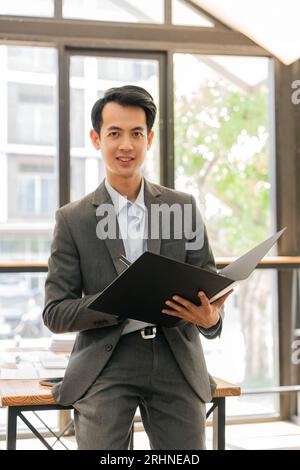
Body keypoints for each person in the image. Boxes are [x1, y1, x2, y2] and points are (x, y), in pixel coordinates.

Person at [43, 84, 232, 450]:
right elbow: (56, 312)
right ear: (96, 139)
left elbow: (210, 289)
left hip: (176, 356)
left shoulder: (183, 207)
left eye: (136, 134)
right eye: (114, 133)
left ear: (149, 139)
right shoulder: (73, 219)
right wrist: (119, 300)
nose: (126, 145)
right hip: (106, 362)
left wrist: (212, 321)